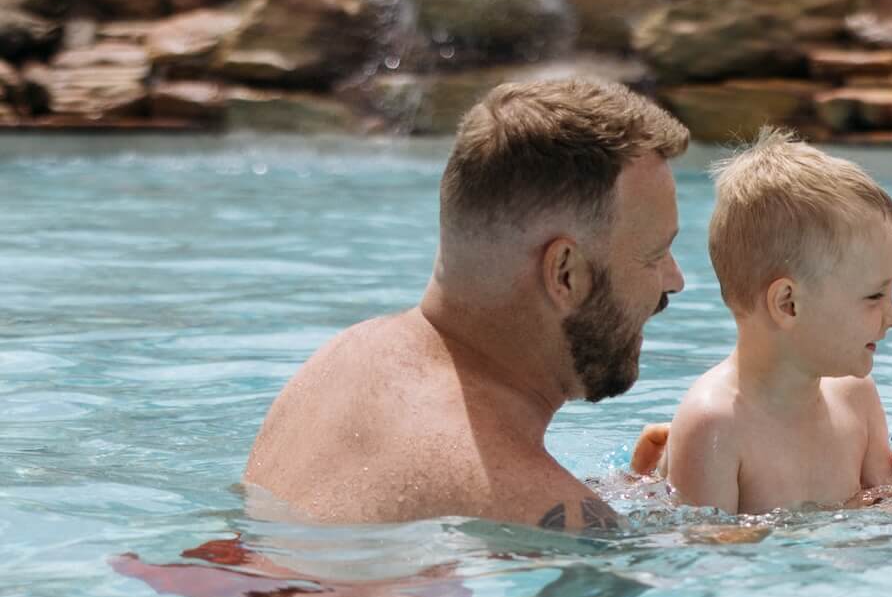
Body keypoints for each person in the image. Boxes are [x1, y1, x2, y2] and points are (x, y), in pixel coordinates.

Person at [244, 78, 690, 530]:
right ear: (565, 274)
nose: (675, 281)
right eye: (655, 255)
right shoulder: (547, 512)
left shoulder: (337, 362)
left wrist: (620, 491)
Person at [660, 129, 892, 515]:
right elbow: (708, 559)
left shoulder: (856, 395)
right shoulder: (715, 427)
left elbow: (888, 499)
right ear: (788, 303)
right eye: (875, 296)